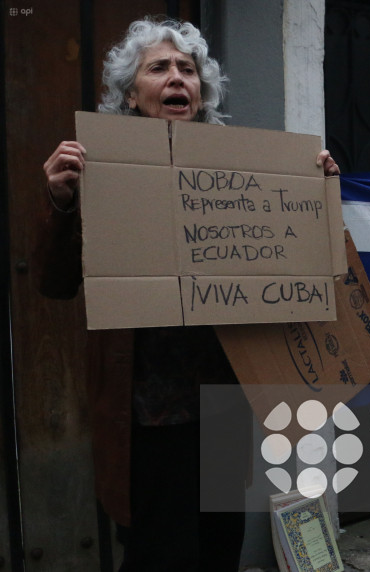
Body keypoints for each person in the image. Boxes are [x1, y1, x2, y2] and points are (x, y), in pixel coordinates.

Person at [35, 17, 340, 571]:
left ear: (202, 92)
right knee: (160, 554)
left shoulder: (239, 169)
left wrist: (313, 188)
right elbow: (55, 285)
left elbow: (298, 270)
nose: (177, 77)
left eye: (188, 69)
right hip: (149, 419)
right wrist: (61, 202)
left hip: (220, 406)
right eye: (159, 68)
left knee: (218, 548)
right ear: (131, 93)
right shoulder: (99, 169)